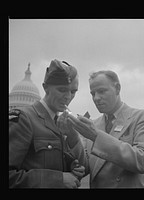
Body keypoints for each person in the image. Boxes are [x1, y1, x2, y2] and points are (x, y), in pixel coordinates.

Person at [67, 70, 144, 188]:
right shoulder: (92, 126)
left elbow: (143, 161)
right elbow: (84, 166)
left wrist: (96, 136)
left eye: (101, 91)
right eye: (92, 93)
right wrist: (71, 135)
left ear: (117, 88)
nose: (96, 98)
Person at [9, 59, 87, 188]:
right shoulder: (24, 118)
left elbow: (85, 168)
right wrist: (57, 180)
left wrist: (73, 137)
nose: (68, 96)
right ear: (45, 88)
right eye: (62, 90)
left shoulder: (61, 123)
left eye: (73, 91)